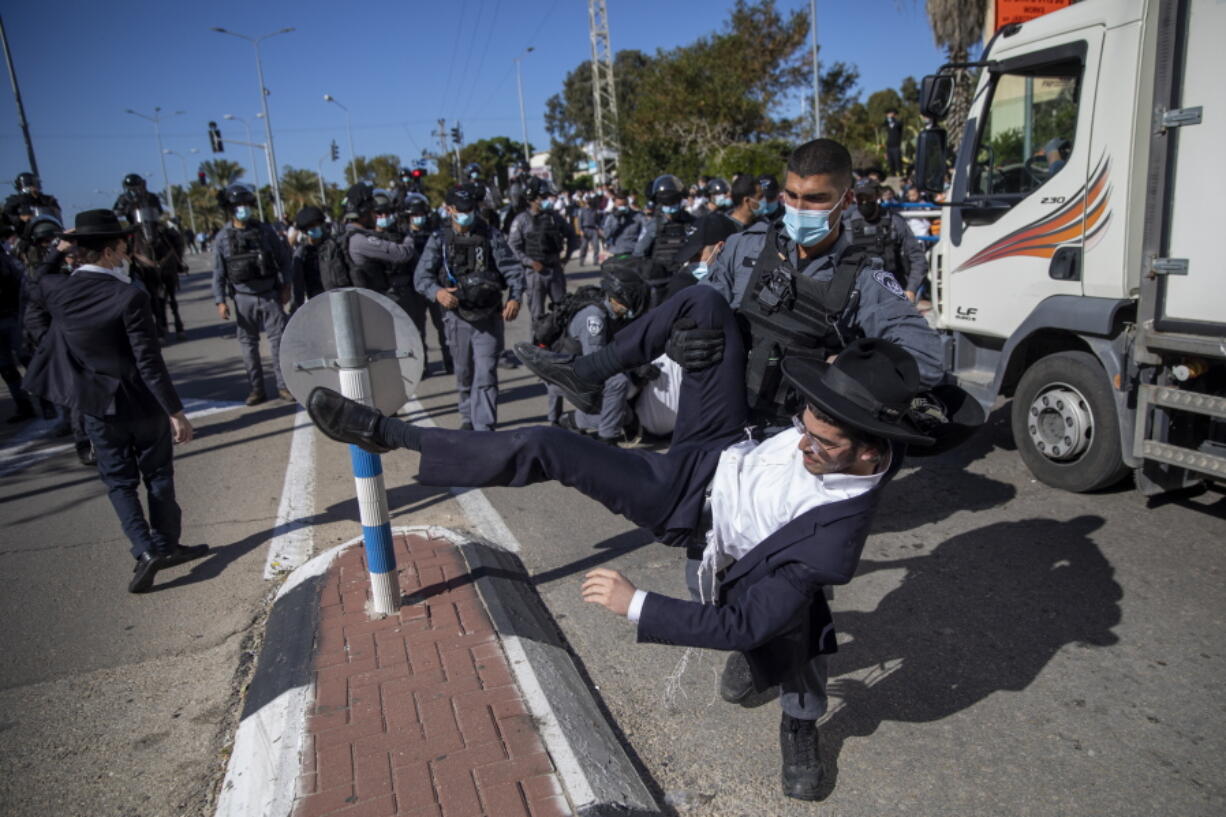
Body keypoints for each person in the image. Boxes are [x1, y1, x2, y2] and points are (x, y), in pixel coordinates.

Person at [306, 286, 974, 801]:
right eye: (804, 425)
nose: (802, 445)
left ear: (870, 450)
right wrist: (689, 355)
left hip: (697, 512)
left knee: (787, 632)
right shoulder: (831, 426)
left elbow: (744, 614)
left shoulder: (831, 542)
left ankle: (800, 725)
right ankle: (419, 424)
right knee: (705, 306)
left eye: (820, 443)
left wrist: (634, 603)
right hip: (715, 450)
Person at [694, 138, 943, 427]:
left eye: (816, 199)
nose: (799, 208)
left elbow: (927, 360)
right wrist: (687, 337)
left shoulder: (864, 279)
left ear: (846, 200)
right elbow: (700, 309)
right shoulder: (743, 248)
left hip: (798, 438)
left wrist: (847, 369)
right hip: (723, 414)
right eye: (791, 195)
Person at [21, 210, 207, 593]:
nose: (126, 251)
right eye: (122, 246)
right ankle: (166, 543)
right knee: (157, 475)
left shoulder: (59, 291)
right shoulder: (129, 296)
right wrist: (175, 411)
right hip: (140, 402)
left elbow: (37, 282)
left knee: (119, 482)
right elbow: (148, 361)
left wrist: (60, 248)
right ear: (107, 252)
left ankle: (144, 550)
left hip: (96, 406)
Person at [412, 185, 524, 430]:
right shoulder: (439, 240)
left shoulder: (491, 235)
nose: (467, 214)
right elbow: (421, 278)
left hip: (488, 317)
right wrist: (438, 292)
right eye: (461, 210)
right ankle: (467, 417)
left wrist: (515, 298)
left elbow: (513, 270)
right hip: (457, 317)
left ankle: (484, 428)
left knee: (486, 374)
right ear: (449, 209)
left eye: (471, 209)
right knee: (464, 374)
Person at [210, 183, 293, 405]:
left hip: (269, 294)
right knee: (248, 346)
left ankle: (284, 386)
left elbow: (283, 259)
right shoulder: (223, 237)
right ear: (231, 208)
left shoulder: (265, 231)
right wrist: (220, 301)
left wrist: (286, 286)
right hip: (242, 298)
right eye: (239, 205)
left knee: (278, 343)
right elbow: (218, 272)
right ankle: (256, 389)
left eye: (247, 204)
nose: (244, 209)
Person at [555, 262, 650, 444]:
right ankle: (607, 438)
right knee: (618, 382)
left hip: (581, 369)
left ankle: (573, 421)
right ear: (616, 297)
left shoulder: (613, 314)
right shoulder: (594, 318)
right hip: (569, 374)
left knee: (621, 399)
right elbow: (597, 364)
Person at [114, 173, 188, 340]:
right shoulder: (124, 198)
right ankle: (128, 272)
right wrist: (126, 210)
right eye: (131, 188)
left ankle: (179, 261)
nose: (135, 190)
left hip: (153, 226)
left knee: (174, 235)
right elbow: (116, 211)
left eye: (137, 186)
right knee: (122, 246)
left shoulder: (151, 197)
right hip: (135, 229)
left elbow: (159, 211)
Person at [841, 178, 929, 303]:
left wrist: (910, 290)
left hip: (892, 292)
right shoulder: (847, 226)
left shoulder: (895, 222)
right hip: (859, 294)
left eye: (868, 196)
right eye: (860, 197)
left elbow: (918, 258)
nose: (864, 201)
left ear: (877, 196)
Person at [508, 177, 577, 323]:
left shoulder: (554, 217)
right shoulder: (522, 220)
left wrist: (566, 258)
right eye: (542, 197)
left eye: (547, 197)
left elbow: (571, 235)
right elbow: (513, 247)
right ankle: (539, 344)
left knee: (563, 312)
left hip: (555, 270)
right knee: (537, 317)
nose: (546, 200)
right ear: (532, 199)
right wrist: (530, 262)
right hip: (535, 274)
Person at [405, 193, 452, 375]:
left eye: (420, 213)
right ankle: (422, 364)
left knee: (443, 326)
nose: (418, 218)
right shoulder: (404, 237)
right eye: (414, 214)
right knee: (417, 329)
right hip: (413, 290)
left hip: (436, 287)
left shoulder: (436, 234)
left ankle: (450, 360)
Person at [0, 221, 35, 423]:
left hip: (12, 316)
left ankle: (47, 402)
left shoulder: (7, 260)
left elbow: (22, 285)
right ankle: (23, 406)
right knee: (6, 368)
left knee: (27, 358)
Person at [290, 205, 328, 307]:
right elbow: (298, 285)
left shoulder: (332, 246)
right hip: (317, 301)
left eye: (317, 224)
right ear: (304, 230)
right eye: (311, 226)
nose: (315, 228)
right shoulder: (301, 254)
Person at [600, 190, 641, 256]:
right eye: (619, 205)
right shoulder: (611, 217)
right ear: (615, 204)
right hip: (616, 252)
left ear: (627, 203)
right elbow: (606, 235)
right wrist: (617, 220)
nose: (622, 208)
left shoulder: (637, 216)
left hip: (632, 251)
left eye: (624, 205)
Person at [577, 195, 602, 265]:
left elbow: (598, 221)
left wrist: (599, 229)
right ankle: (582, 260)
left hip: (593, 229)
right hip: (585, 229)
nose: (588, 202)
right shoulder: (582, 210)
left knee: (596, 246)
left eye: (589, 201)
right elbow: (580, 221)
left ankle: (595, 260)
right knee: (584, 246)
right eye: (587, 201)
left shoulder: (594, 210)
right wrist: (580, 230)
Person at [884, 109, 904, 177]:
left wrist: (893, 119)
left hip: (896, 146)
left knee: (897, 162)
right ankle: (892, 174)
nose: (889, 115)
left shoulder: (898, 123)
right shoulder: (887, 125)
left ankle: (900, 174)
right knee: (890, 163)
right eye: (888, 114)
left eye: (891, 114)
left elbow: (899, 126)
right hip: (889, 147)